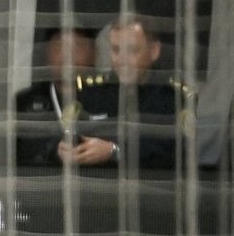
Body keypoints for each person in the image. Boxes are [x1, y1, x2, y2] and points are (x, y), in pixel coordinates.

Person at [57, 14, 187, 169]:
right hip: (95, 186)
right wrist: (61, 149)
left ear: (154, 51)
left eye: (131, 50)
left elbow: (172, 153)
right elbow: (62, 133)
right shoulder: (91, 92)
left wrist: (115, 151)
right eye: (116, 50)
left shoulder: (173, 98)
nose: (121, 60)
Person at [15, 24, 100, 166]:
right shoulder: (23, 102)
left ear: (94, 54)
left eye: (77, 46)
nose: (68, 55)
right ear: (47, 53)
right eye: (60, 46)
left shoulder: (110, 99)